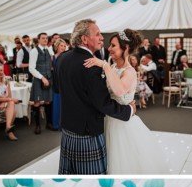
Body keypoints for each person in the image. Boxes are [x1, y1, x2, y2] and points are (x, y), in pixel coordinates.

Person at [82, 29, 167, 174]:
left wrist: (104, 65)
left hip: (122, 124)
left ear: (125, 48)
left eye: (113, 45)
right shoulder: (113, 67)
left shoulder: (129, 71)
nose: (109, 49)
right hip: (107, 119)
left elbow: (119, 90)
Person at [54, 20, 133, 175]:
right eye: (97, 34)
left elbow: (57, 88)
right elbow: (103, 104)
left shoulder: (62, 58)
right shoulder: (91, 66)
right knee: (94, 182)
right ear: (84, 39)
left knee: (70, 178)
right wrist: (128, 110)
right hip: (88, 133)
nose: (102, 38)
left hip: (67, 131)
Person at [29, 32, 53, 134]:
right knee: (37, 103)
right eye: (43, 38)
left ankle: (48, 123)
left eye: (46, 38)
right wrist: (42, 77)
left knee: (48, 101)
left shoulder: (48, 50)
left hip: (48, 78)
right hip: (39, 79)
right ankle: (38, 126)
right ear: (38, 40)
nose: (45, 40)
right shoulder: (34, 51)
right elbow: (31, 68)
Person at [51, 38, 68, 131]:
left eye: (64, 46)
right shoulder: (52, 57)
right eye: (61, 45)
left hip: (65, 83)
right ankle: (56, 124)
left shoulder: (66, 56)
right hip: (56, 83)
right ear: (57, 46)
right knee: (57, 104)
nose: (63, 47)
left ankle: (64, 124)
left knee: (64, 104)